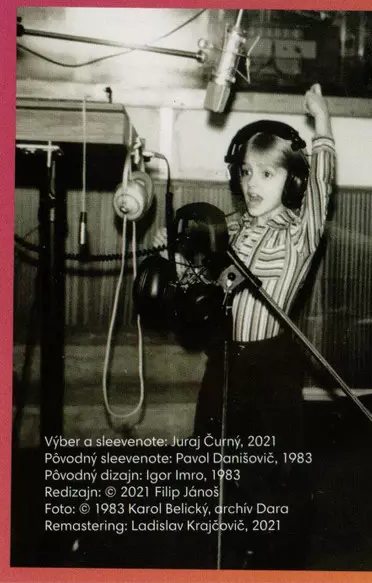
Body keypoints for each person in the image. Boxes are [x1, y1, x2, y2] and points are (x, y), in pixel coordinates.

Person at [154, 83, 335, 569]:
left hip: (271, 366)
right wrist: (175, 256)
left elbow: (322, 188)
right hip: (225, 362)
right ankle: (220, 555)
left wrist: (322, 123)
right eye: (247, 172)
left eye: (268, 173)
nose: (253, 183)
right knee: (210, 462)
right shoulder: (230, 227)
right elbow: (198, 277)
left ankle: (274, 562)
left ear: (291, 181)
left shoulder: (298, 233)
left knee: (272, 474)